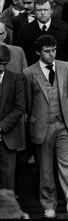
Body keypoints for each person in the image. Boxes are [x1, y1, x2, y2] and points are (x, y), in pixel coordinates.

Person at [23, 34, 68, 218]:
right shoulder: (28, 73)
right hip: (43, 126)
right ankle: (48, 204)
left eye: (53, 50)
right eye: (47, 51)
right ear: (38, 52)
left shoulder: (65, 66)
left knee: (67, 166)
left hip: (64, 123)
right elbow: (28, 102)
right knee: (46, 168)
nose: (51, 54)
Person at [0, 45, 25, 191]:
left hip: (8, 137)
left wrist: (1, 127)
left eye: (5, 64)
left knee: (8, 180)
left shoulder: (15, 78)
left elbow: (20, 107)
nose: (2, 68)